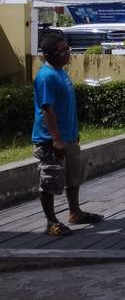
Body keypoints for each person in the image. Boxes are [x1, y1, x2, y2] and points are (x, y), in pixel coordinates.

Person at [32, 33, 104, 236]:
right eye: (62, 51)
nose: (67, 54)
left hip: (69, 137)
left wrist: (73, 133)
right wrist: (56, 139)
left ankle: (75, 212)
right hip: (50, 140)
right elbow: (47, 109)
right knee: (50, 179)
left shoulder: (61, 73)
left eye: (67, 50)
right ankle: (51, 221)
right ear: (47, 55)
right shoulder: (47, 76)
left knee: (74, 176)